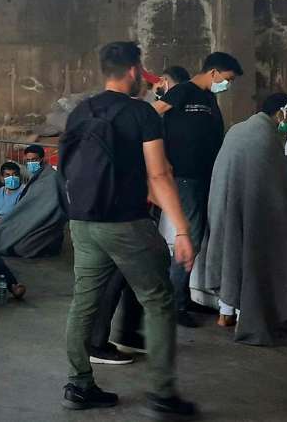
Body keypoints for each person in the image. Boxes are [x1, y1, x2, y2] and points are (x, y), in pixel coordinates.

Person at [61, 41, 197, 418]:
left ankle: (79, 385)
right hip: (126, 223)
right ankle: (162, 394)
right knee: (158, 300)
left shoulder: (80, 112)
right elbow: (159, 173)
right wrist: (183, 230)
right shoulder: (141, 113)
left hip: (83, 222)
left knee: (84, 303)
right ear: (135, 71)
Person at [193, 94, 287, 345]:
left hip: (225, 203)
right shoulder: (265, 138)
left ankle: (225, 313)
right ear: (281, 114)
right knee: (253, 257)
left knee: (231, 249)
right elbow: (279, 188)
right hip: (254, 210)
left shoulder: (238, 129)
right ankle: (248, 315)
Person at [153, 51, 243, 328]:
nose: (227, 85)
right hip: (184, 177)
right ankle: (173, 305)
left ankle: (183, 295)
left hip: (205, 177)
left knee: (198, 236)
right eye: (226, 79)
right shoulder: (183, 91)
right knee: (188, 237)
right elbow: (152, 115)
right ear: (214, 72)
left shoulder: (209, 98)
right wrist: (159, 158)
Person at [0, 145, 68, 259]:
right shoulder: (35, 177)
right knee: (4, 237)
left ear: (42, 159)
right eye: (28, 160)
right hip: (32, 220)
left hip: (46, 223)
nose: (31, 163)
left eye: (34, 160)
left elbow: (50, 204)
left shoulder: (50, 178)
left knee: (21, 248)